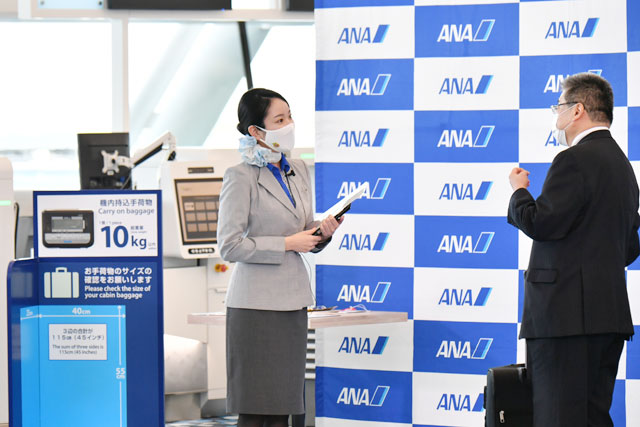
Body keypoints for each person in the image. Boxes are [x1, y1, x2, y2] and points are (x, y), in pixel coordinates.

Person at [507, 72, 639, 427]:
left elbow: (541, 223)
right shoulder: (624, 167)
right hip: (608, 317)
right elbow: (629, 248)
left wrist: (519, 192)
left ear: (577, 110)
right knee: (593, 418)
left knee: (558, 418)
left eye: (559, 107)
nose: (557, 116)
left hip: (564, 321)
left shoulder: (573, 159)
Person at [217, 88, 342, 427]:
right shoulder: (240, 176)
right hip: (255, 307)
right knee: (256, 410)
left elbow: (303, 232)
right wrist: (287, 244)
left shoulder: (297, 169)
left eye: (290, 117)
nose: (289, 125)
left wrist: (322, 232)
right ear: (256, 131)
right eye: (279, 120)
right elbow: (229, 246)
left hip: (292, 303)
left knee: (283, 408)